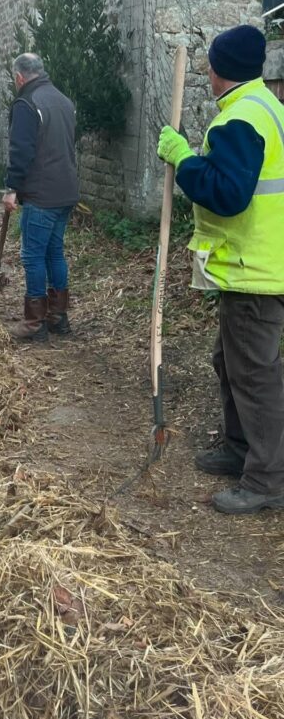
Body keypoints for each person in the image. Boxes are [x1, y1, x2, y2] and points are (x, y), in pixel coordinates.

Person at [157, 25, 284, 515]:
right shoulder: (266, 107)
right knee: (229, 361)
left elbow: (228, 195)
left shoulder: (242, 119)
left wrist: (184, 159)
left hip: (256, 269)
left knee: (255, 374)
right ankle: (239, 448)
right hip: (259, 265)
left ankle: (267, 478)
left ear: (217, 70)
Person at [3, 53, 79, 342]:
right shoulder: (63, 101)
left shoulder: (27, 103)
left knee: (33, 255)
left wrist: (11, 188)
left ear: (20, 77)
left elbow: (21, 151)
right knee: (54, 252)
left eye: (14, 79)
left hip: (42, 194)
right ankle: (58, 317)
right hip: (66, 191)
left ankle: (34, 323)